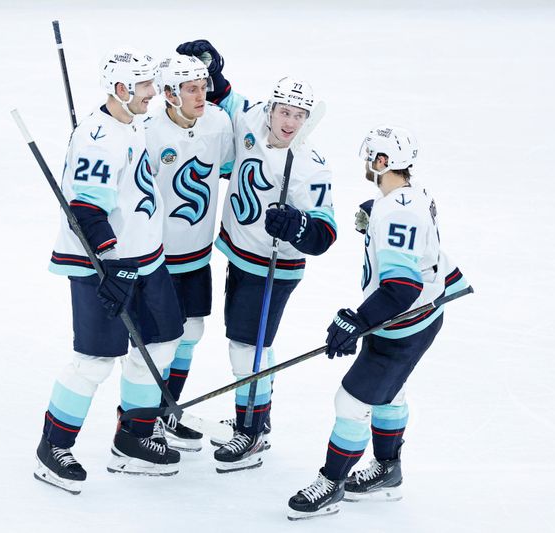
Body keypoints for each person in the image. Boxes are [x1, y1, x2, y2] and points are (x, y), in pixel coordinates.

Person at [286, 126, 469, 520]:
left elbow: (402, 287)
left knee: (351, 401)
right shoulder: (410, 195)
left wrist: (358, 320)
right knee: (389, 392)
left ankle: (331, 483)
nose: (367, 163)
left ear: (382, 162)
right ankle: (388, 470)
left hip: (403, 323)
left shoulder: (395, 212)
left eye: (371, 157)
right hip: (416, 317)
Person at [175, 40, 338, 473]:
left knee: (248, 348)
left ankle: (251, 432)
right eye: (285, 112)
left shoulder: (310, 165)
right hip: (240, 255)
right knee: (248, 344)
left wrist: (296, 226)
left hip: (273, 268)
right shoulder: (251, 117)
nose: (290, 123)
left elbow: (325, 233)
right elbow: (225, 97)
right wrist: (212, 68)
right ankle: (256, 418)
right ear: (272, 108)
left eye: (299, 116)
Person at [34, 47, 185, 495]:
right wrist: (112, 264)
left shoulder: (130, 122)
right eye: (145, 86)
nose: (153, 93)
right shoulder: (98, 140)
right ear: (120, 89)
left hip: (146, 259)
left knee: (162, 342)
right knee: (95, 360)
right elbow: (85, 211)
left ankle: (133, 437)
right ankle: (53, 447)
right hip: (103, 265)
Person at [143, 54, 235, 451]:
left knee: (191, 333)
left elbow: (234, 162)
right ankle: (141, 419)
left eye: (203, 87)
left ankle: (168, 410)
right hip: (156, 258)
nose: (201, 96)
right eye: (191, 89)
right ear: (169, 94)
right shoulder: (148, 132)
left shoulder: (218, 122)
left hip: (197, 254)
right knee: (157, 342)